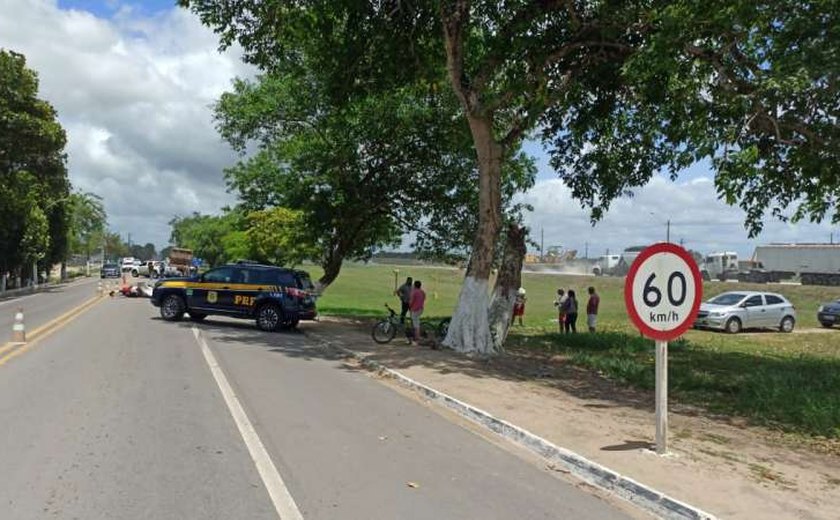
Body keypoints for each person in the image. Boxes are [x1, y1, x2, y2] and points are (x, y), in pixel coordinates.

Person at [408, 280, 426, 346]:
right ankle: (413, 338)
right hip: (420, 309)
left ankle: (417, 339)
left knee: (416, 325)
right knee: (415, 323)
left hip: (414, 309)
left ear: (415, 285)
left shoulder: (414, 292)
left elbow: (411, 301)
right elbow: (424, 299)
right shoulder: (422, 292)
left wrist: (409, 306)